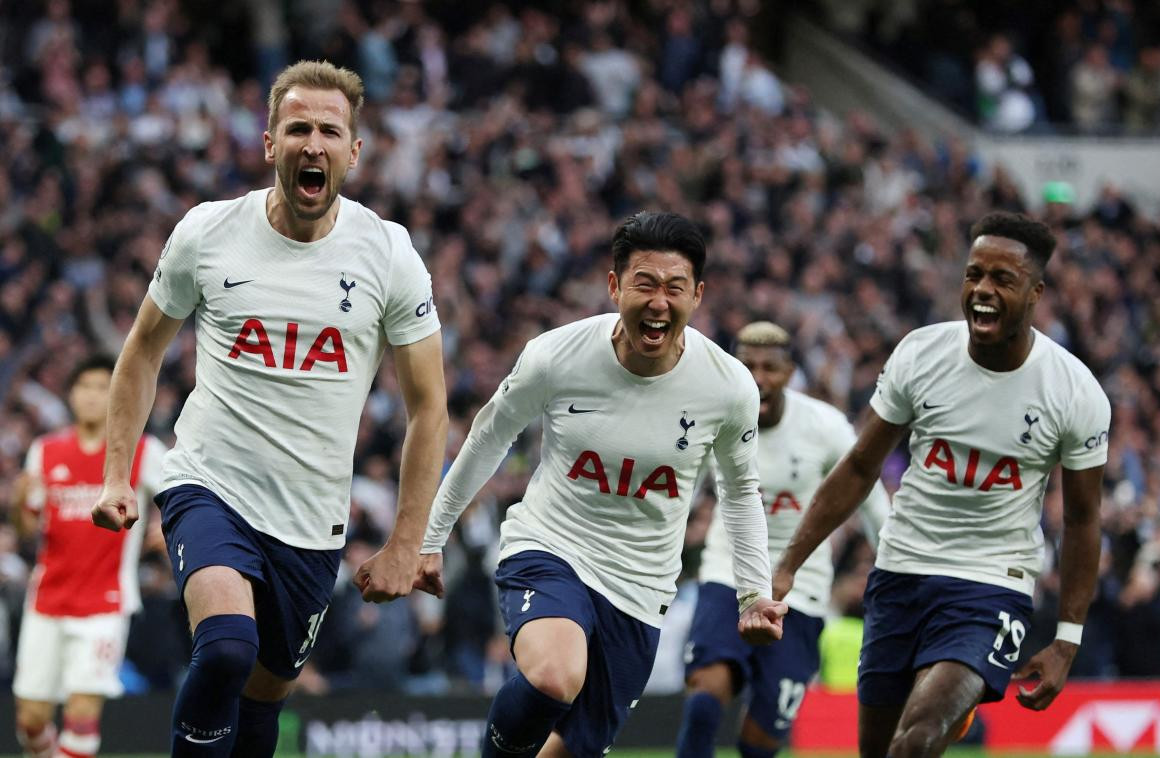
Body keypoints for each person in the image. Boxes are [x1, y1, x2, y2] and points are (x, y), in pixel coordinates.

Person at [90, 60, 449, 757]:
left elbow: (430, 408)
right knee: (225, 649)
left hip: (311, 522)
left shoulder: (388, 253)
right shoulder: (207, 232)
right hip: (209, 485)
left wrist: (408, 541)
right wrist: (116, 474)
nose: (312, 143)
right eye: (297, 128)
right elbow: (140, 351)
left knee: (262, 702)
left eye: (328, 130)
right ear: (267, 143)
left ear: (354, 151)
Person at [418, 211, 787, 758]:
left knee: (572, 749)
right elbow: (488, 438)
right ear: (614, 286)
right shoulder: (556, 356)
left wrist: (755, 592)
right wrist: (430, 538)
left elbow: (739, 492)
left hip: (641, 587)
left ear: (698, 296)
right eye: (645, 283)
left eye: (674, 288)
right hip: (550, 545)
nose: (659, 302)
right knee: (553, 675)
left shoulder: (728, 386)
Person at [773, 211, 1112, 758]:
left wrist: (1067, 640)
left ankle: (958, 691)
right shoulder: (921, 353)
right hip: (900, 573)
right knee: (880, 750)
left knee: (918, 737)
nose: (982, 290)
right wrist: (787, 565)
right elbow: (861, 467)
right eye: (974, 274)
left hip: (991, 584)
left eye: (1003, 279)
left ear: (1036, 293)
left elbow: (1082, 519)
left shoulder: (1075, 392)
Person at [676, 321, 889, 757]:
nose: (759, 378)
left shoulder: (825, 426)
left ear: (790, 372)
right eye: (748, 365)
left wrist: (893, 562)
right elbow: (680, 496)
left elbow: (868, 494)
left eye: (770, 367)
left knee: (761, 741)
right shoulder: (715, 422)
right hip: (727, 573)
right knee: (704, 698)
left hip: (802, 587)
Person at [11, 355, 166, 758]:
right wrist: (17, 505)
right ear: (71, 394)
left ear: (117, 393)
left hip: (105, 602)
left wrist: (167, 526)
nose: (94, 395)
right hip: (47, 598)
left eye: (103, 386)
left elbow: (180, 493)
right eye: (85, 386)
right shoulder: (45, 451)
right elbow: (28, 529)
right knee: (30, 719)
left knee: (81, 713)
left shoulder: (143, 449)